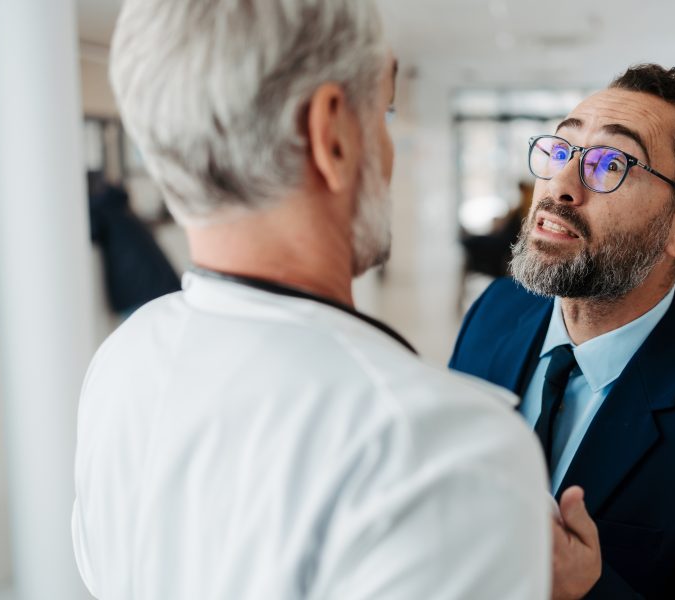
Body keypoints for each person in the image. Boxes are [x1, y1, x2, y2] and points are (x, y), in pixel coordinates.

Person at [71, 1, 555, 598]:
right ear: (332, 135)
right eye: (383, 111)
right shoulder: (444, 447)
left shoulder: (124, 357)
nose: (388, 146)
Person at [450, 64, 675, 598]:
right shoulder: (497, 309)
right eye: (562, 149)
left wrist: (588, 588)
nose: (561, 186)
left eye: (611, 164)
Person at [87, 171, 181, 316]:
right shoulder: (118, 207)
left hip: (142, 293)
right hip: (158, 288)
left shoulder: (104, 211)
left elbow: (88, 232)